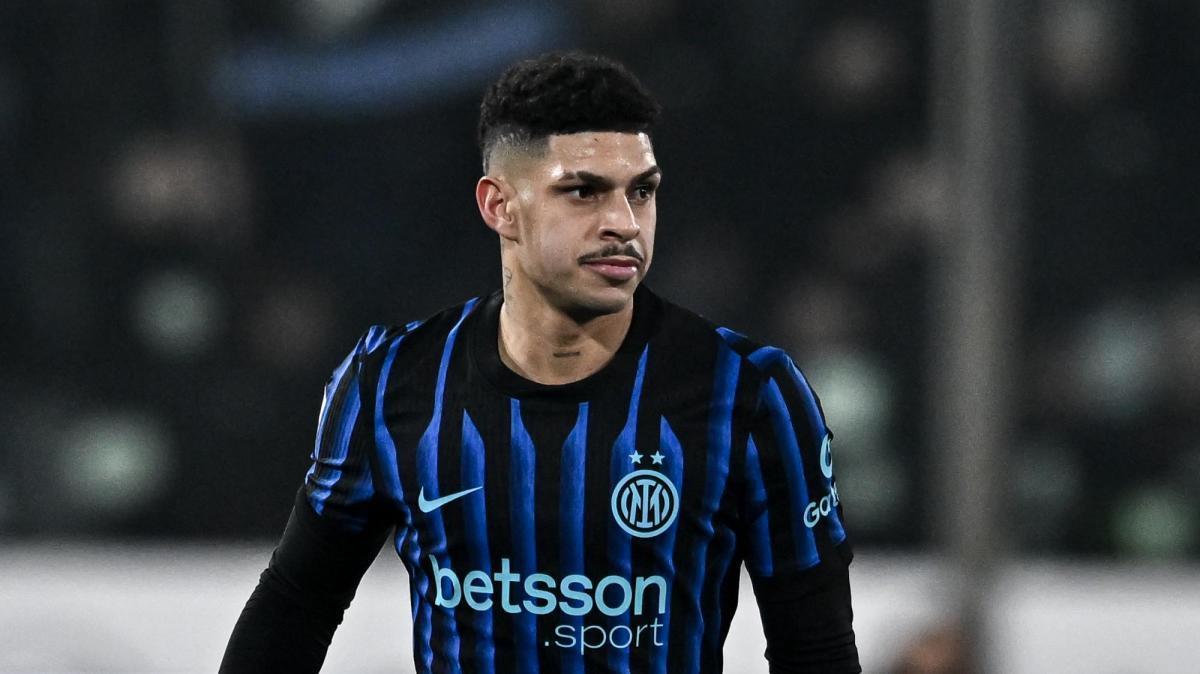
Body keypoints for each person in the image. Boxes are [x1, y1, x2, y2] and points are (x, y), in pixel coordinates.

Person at [221, 51, 859, 674]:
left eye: (641, 191)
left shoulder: (749, 392)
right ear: (499, 206)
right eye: (583, 192)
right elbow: (296, 607)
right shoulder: (391, 380)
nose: (624, 223)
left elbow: (817, 652)